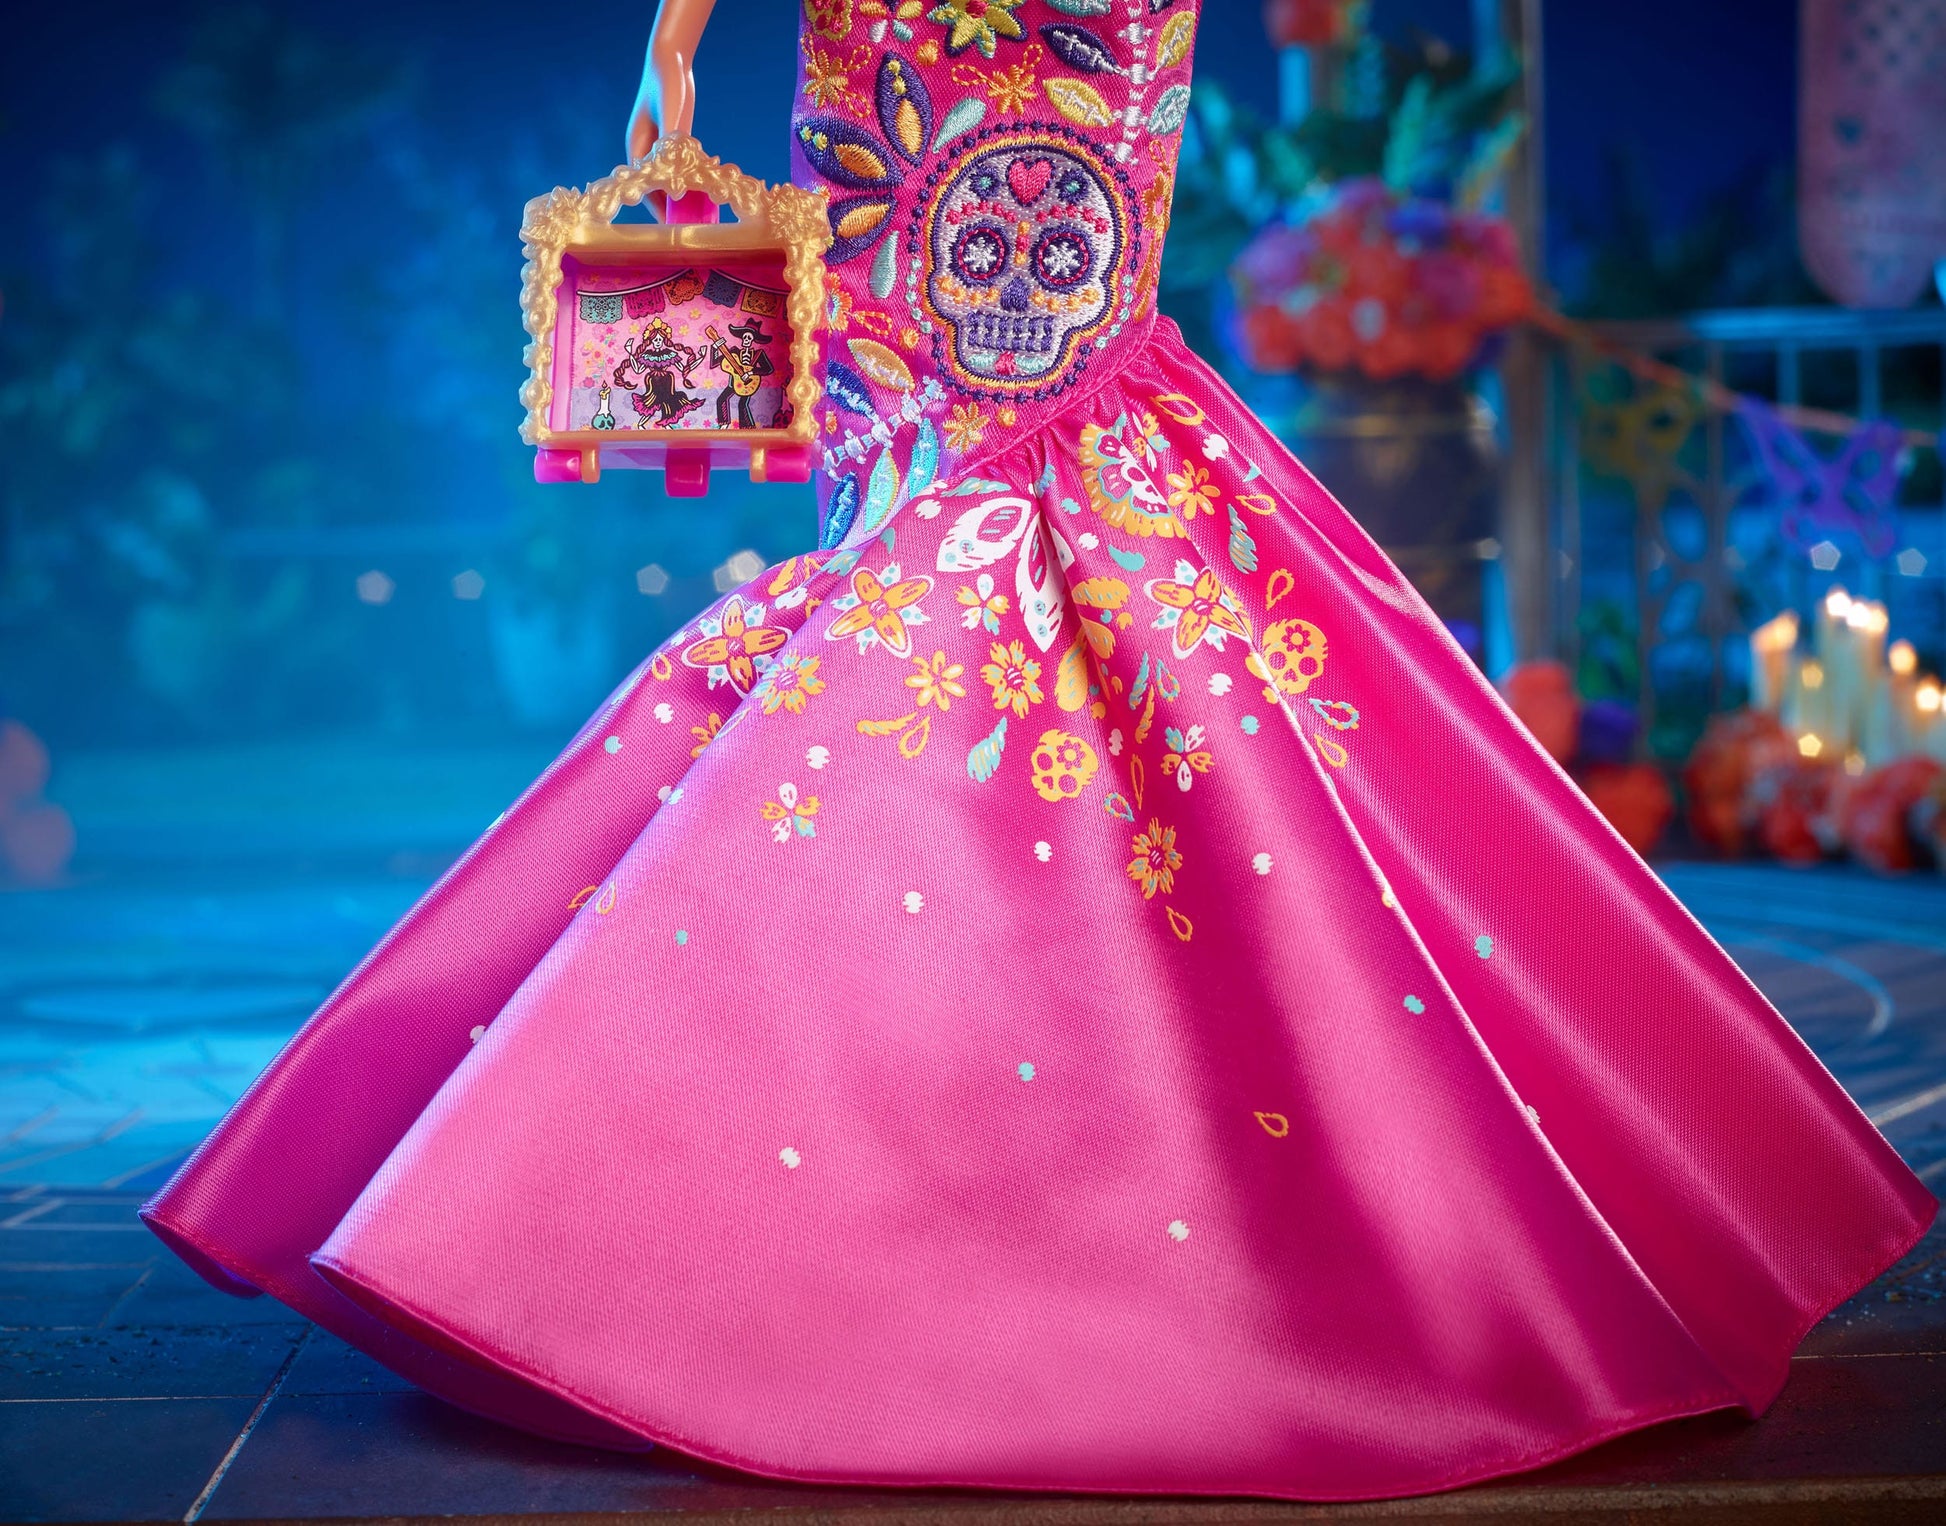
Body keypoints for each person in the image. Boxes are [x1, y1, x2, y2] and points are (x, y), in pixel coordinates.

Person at [141, 0, 1935, 1501]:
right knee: (913, 538)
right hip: (878, 87)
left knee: (1030, 531)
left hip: (1079, 62)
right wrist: (677, 38)